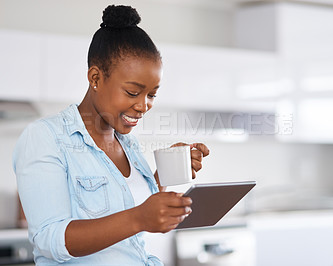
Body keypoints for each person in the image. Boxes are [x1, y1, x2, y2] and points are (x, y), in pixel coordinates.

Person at [13, 4, 209, 266]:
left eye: (151, 94)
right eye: (132, 92)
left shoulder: (127, 143)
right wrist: (140, 217)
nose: (143, 106)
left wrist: (165, 174)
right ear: (95, 77)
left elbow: (132, 215)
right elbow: (50, 239)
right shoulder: (45, 137)